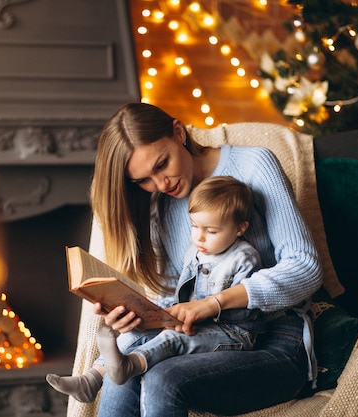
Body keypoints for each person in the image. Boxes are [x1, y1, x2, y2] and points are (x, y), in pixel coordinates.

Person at [81, 103, 322, 417]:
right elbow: (177, 297)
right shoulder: (161, 209)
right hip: (205, 339)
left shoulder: (254, 165)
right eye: (144, 180)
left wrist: (215, 303)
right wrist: (141, 316)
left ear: (179, 133)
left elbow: (305, 266)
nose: (161, 184)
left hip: (277, 340)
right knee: (124, 367)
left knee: (162, 380)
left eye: (162, 164)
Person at [47, 176, 262, 400]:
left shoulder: (244, 258)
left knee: (172, 338)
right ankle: (91, 379)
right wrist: (152, 312)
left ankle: (131, 364)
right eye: (195, 226)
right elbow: (182, 294)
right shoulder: (195, 251)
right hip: (192, 322)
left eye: (212, 231)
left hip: (233, 334)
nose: (199, 236)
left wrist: (195, 316)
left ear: (239, 228)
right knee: (136, 330)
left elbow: (245, 311)